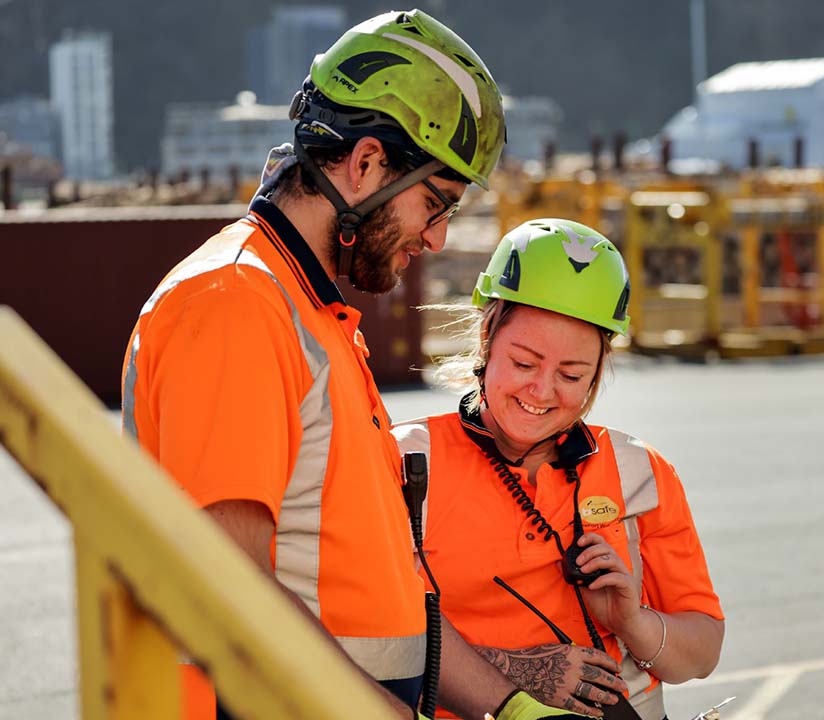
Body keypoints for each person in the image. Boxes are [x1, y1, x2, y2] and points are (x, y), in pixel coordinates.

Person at [122, 11, 582, 720]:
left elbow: (391, 598)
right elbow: (230, 591)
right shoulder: (234, 305)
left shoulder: (310, 317)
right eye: (435, 203)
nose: (437, 238)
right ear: (365, 164)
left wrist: (509, 708)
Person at [393, 219, 726, 719]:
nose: (542, 392)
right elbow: (357, 643)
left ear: (600, 369)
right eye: (524, 364)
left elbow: (700, 653)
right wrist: (514, 672)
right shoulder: (406, 463)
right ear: (487, 336)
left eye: (572, 375)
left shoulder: (639, 473)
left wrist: (632, 621)